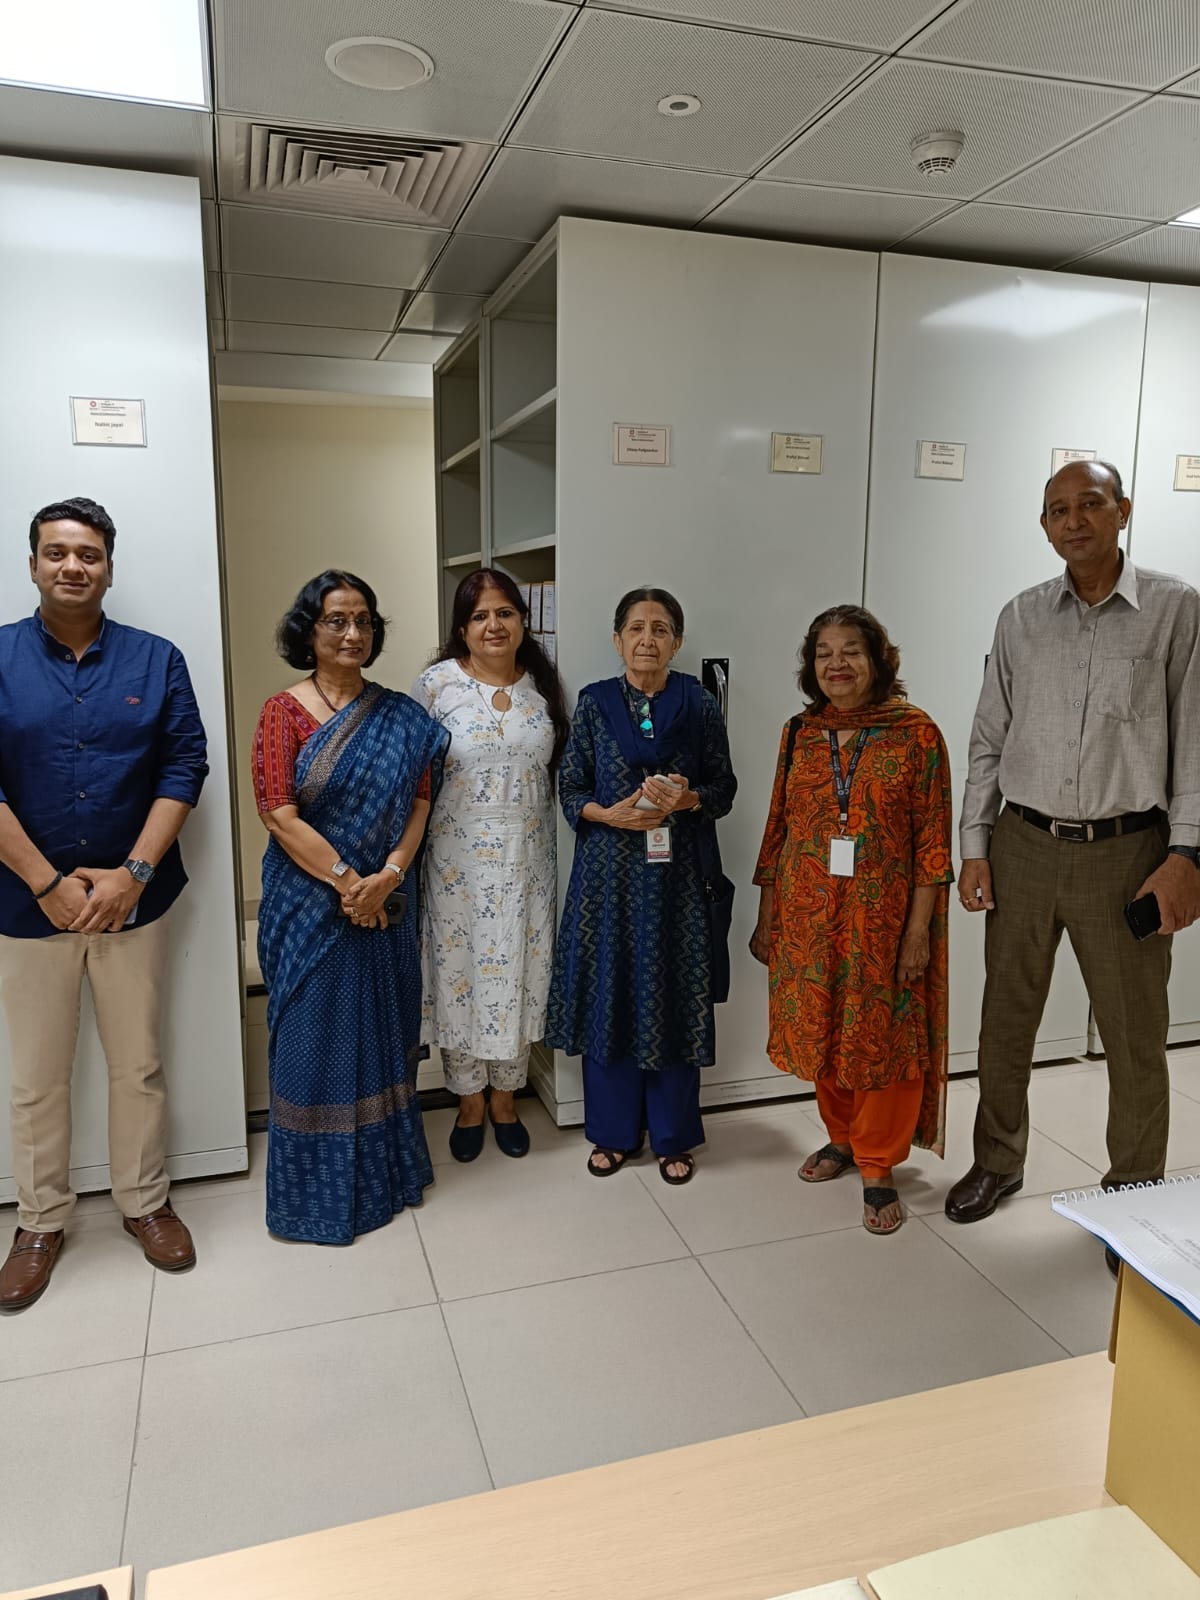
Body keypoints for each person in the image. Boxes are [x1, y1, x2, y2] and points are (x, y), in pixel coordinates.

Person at [946, 460, 1200, 1248]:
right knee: (1005, 1019)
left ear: (1123, 510)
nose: (1074, 521)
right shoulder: (1021, 616)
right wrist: (975, 844)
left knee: (1133, 1035)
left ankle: (1133, 1191)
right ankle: (997, 1160)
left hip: (1128, 854)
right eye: (1058, 510)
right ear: (1045, 525)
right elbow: (989, 737)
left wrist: (1188, 855)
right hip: (1022, 844)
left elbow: (1196, 741)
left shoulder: (1176, 610)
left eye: (1090, 504)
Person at [0, 497, 208, 1311]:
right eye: (56, 552)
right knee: (36, 1077)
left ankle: (145, 1203)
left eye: (88, 554)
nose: (72, 566)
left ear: (109, 568)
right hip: (25, 905)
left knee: (139, 1065)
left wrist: (132, 874)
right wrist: (46, 883)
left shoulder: (157, 661)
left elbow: (183, 768)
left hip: (133, 903)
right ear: (33, 564)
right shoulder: (0, 656)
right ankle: (40, 1222)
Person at [253, 571, 448, 1244]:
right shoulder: (282, 713)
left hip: (385, 902)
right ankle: (311, 1197)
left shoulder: (402, 717)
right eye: (336, 620)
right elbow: (278, 815)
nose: (352, 633)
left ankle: (386, 1177)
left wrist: (387, 877)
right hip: (308, 906)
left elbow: (421, 800)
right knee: (311, 1046)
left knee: (384, 1037)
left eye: (363, 620)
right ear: (308, 630)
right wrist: (348, 883)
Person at [750, 605, 953, 1235]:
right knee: (823, 1028)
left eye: (851, 651)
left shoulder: (916, 734)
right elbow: (778, 827)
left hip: (882, 922)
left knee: (881, 1040)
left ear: (879, 660)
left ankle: (877, 1163)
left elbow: (933, 844)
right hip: (808, 917)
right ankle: (840, 1137)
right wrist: (767, 915)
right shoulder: (800, 733)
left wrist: (917, 933)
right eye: (823, 654)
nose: (836, 664)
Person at [546, 587, 737, 1185]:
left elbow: (724, 788)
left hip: (678, 882)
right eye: (636, 628)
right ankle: (613, 1133)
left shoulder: (699, 704)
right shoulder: (595, 703)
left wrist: (689, 799)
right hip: (608, 882)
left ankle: (673, 1137)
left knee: (675, 998)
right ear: (617, 639)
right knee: (612, 995)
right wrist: (609, 814)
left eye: (660, 629)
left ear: (677, 642)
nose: (647, 640)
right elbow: (570, 789)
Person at [411, 569, 569, 1161]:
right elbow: (412, 776)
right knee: (461, 975)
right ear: (462, 629)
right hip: (457, 869)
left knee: (520, 972)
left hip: (529, 865)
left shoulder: (544, 688)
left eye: (504, 613)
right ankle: (469, 1100)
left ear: (523, 621)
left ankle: (506, 1096)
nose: (493, 626)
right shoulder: (436, 686)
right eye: (479, 616)